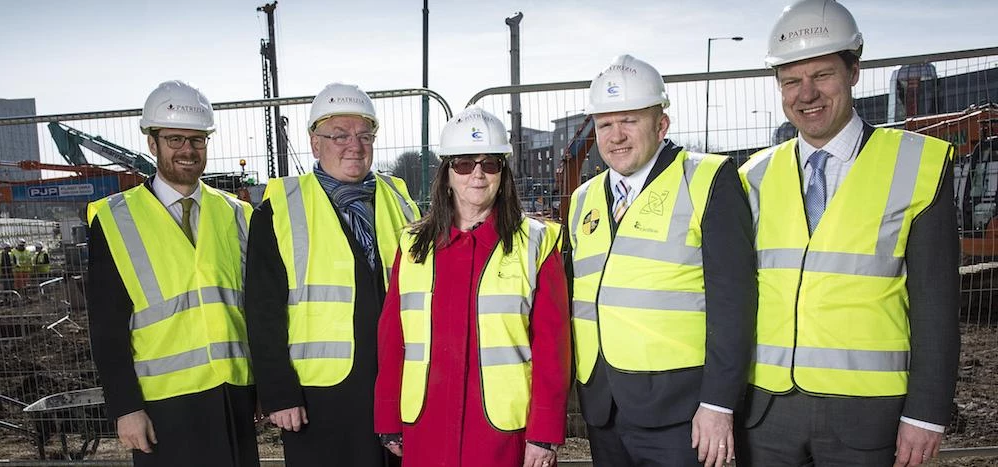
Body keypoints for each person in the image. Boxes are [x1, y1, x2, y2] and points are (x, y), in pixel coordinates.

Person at [736, 1, 960, 465]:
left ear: (854, 70)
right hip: (767, 410)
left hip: (869, 413)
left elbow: (937, 304)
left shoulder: (918, 166)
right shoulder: (754, 175)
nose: (807, 94)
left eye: (822, 75)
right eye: (791, 81)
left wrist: (927, 413)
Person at [567, 54, 756, 467]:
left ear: (661, 125)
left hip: (683, 412)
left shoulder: (707, 178)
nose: (616, 136)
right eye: (604, 124)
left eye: (629, 121)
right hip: (604, 408)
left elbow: (734, 304)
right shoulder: (583, 199)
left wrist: (719, 405)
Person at [374, 107, 571, 467]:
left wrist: (544, 433)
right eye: (464, 164)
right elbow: (393, 339)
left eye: (490, 164)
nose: (477, 175)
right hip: (426, 422)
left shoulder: (536, 243)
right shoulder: (413, 245)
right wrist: (388, 416)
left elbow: (552, 347)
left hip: (502, 429)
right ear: (446, 173)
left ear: (503, 173)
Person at [245, 83, 420, 466]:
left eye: (364, 136)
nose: (353, 146)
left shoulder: (400, 198)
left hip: (398, 382)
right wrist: (279, 393)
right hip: (319, 393)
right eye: (339, 135)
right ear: (314, 142)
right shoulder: (280, 209)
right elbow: (262, 310)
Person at [86, 80, 259, 467]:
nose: (188, 151)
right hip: (161, 404)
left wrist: (263, 386)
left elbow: (255, 308)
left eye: (198, 141)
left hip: (232, 394)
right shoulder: (114, 219)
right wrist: (125, 407)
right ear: (153, 142)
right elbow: (106, 327)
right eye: (176, 139)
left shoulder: (237, 214)